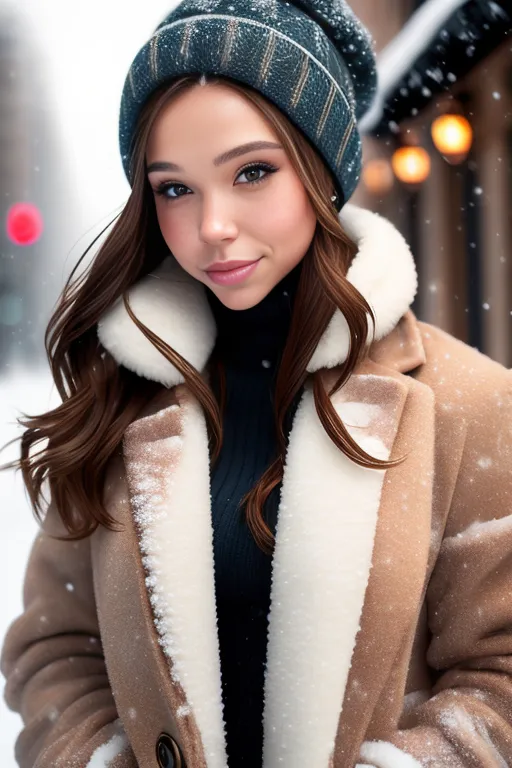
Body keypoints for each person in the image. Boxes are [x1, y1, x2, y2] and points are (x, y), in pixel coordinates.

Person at [1, 0, 512, 766]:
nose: (212, 225)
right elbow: (56, 648)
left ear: (322, 170)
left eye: (252, 172)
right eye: (174, 188)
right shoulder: (126, 394)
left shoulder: (469, 403)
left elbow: (499, 676)